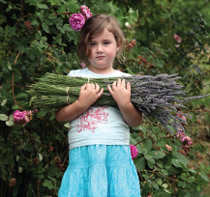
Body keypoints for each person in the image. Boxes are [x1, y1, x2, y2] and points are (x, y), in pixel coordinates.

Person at [56, 13, 142, 197]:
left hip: (116, 152)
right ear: (85, 47)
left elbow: (135, 121)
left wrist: (124, 103)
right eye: (92, 43)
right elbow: (60, 116)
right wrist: (81, 103)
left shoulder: (126, 81)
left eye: (106, 43)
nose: (99, 49)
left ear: (118, 44)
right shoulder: (75, 77)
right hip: (82, 154)